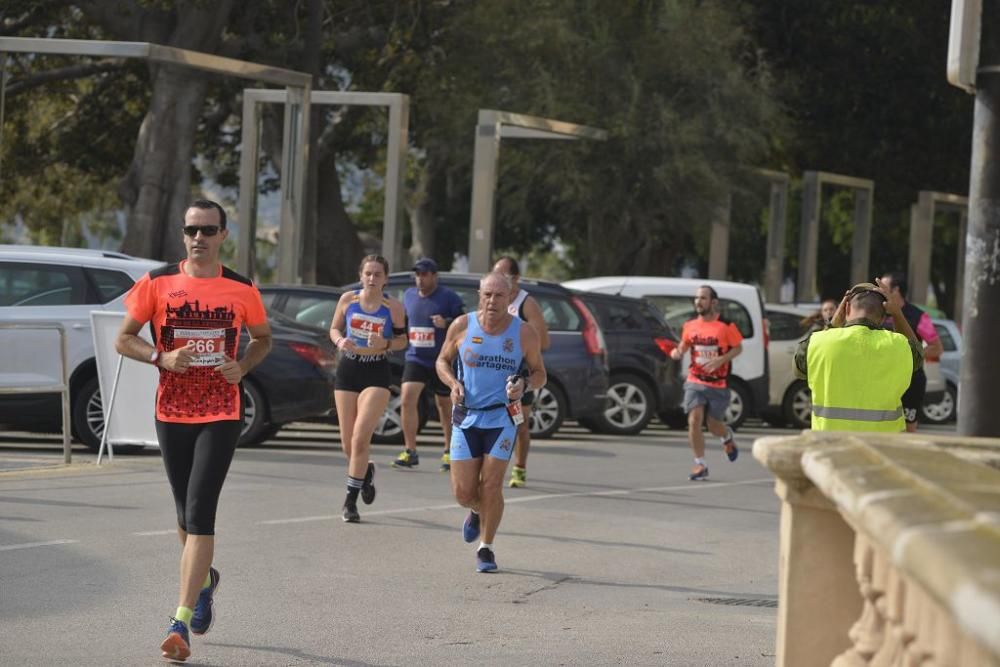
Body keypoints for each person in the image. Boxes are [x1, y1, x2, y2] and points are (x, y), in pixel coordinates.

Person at [114, 199, 273, 662]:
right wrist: (159, 357)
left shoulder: (241, 288)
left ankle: (179, 619)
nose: (198, 237)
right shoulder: (158, 282)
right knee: (184, 516)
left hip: (221, 413)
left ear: (224, 234)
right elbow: (123, 337)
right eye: (191, 230)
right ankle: (205, 582)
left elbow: (264, 339)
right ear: (183, 235)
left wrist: (241, 366)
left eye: (207, 229)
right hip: (171, 412)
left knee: (202, 512)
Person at [436, 272, 546, 572]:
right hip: (466, 415)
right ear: (479, 294)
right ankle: (474, 511)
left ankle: (486, 548)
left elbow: (540, 373)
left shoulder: (523, 333)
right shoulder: (462, 325)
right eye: (487, 294)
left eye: (499, 295)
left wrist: (523, 384)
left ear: (510, 298)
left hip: (502, 417)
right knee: (463, 492)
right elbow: (442, 361)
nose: (492, 301)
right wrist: (452, 384)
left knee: (493, 483)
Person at [329, 255, 407, 523]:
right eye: (368, 274)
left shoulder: (393, 307)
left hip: (376, 372)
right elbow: (333, 328)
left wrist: (384, 342)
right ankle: (366, 472)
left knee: (361, 439)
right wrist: (340, 341)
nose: (372, 279)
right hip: (349, 370)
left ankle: (350, 502)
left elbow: (403, 340)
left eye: (378, 274)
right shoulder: (348, 300)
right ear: (361, 276)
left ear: (386, 279)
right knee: (347, 443)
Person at [795, 280, 923, 432]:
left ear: (846, 308)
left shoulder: (817, 342)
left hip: (830, 445)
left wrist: (834, 322)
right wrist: (897, 313)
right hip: (881, 447)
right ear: (883, 317)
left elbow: (798, 370)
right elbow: (918, 355)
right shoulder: (900, 346)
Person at [392, 257, 465, 472]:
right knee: (406, 399)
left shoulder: (448, 297)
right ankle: (410, 450)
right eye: (417, 275)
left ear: (434, 276)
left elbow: (464, 323)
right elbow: (404, 321)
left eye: (424, 274)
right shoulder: (408, 295)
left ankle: (449, 451)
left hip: (442, 359)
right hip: (415, 357)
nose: (420, 279)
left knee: (444, 405)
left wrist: (447, 322)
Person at [668, 285, 742, 481]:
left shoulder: (726, 326)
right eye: (696, 298)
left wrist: (720, 360)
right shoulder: (690, 325)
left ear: (713, 302)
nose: (698, 302)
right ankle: (701, 464)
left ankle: (726, 437)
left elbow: (738, 349)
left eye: (703, 298)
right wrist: (677, 352)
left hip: (718, 384)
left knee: (713, 425)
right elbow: (684, 345)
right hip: (695, 380)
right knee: (694, 420)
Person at [491, 256, 550, 489]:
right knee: (492, 421)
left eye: (503, 276)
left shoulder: (527, 304)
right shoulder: (493, 300)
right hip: (494, 370)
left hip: (520, 372)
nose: (498, 281)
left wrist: (516, 343)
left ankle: (520, 468)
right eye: (495, 275)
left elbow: (544, 341)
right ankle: (493, 468)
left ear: (515, 278)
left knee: (519, 423)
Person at [877, 272, 944, 432]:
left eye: (883, 286)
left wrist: (907, 355)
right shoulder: (877, 311)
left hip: (911, 381)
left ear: (896, 290)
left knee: (907, 430)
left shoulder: (918, 316)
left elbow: (937, 348)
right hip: (882, 378)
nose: (879, 290)